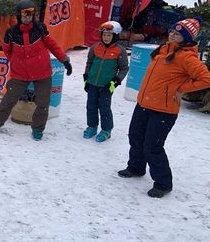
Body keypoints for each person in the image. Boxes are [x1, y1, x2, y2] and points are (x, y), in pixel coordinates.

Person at [118, 18, 210, 198]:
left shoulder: (187, 57)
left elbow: (206, 78)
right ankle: (136, 167)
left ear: (186, 38)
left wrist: (181, 89)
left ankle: (163, 183)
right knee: (136, 137)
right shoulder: (163, 49)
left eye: (178, 33)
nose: (173, 34)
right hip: (144, 103)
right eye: (172, 31)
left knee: (153, 146)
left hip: (164, 110)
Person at [0, 0, 72, 141]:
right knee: (8, 100)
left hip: (42, 72)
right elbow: (7, 51)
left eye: (31, 13)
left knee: (43, 103)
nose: (28, 17)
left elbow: (52, 45)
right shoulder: (11, 33)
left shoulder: (40, 29)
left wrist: (64, 60)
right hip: (20, 74)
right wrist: (16, 62)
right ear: (19, 15)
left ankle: (38, 129)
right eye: (25, 13)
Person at [82, 21, 129, 143]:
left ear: (115, 36)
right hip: (92, 83)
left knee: (104, 107)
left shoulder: (120, 51)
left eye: (109, 35)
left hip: (108, 85)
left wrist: (116, 81)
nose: (106, 37)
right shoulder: (95, 47)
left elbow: (124, 68)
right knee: (91, 106)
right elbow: (89, 63)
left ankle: (106, 130)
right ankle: (92, 126)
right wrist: (86, 78)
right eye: (104, 35)